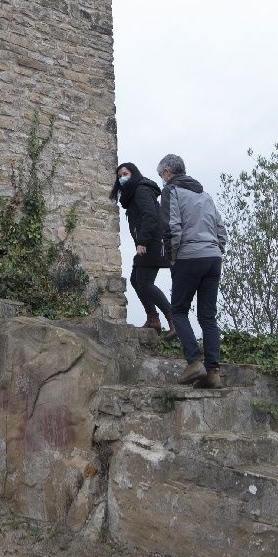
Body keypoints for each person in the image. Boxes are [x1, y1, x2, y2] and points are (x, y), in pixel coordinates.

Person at [157, 153, 227, 389]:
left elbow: (171, 227)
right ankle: (213, 372)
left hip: (188, 256)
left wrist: (173, 258)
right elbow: (221, 229)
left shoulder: (171, 192)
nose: (162, 180)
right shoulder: (205, 195)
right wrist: (216, 250)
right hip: (213, 258)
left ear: (167, 172)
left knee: (178, 311)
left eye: (161, 175)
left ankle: (194, 362)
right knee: (208, 317)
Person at [111, 162, 172, 336]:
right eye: (119, 176)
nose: (122, 178)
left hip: (151, 242)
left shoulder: (141, 189)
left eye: (125, 174)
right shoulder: (133, 193)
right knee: (136, 280)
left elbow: (150, 216)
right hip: (147, 242)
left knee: (144, 281)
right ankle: (153, 319)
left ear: (134, 173)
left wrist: (143, 241)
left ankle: (172, 317)